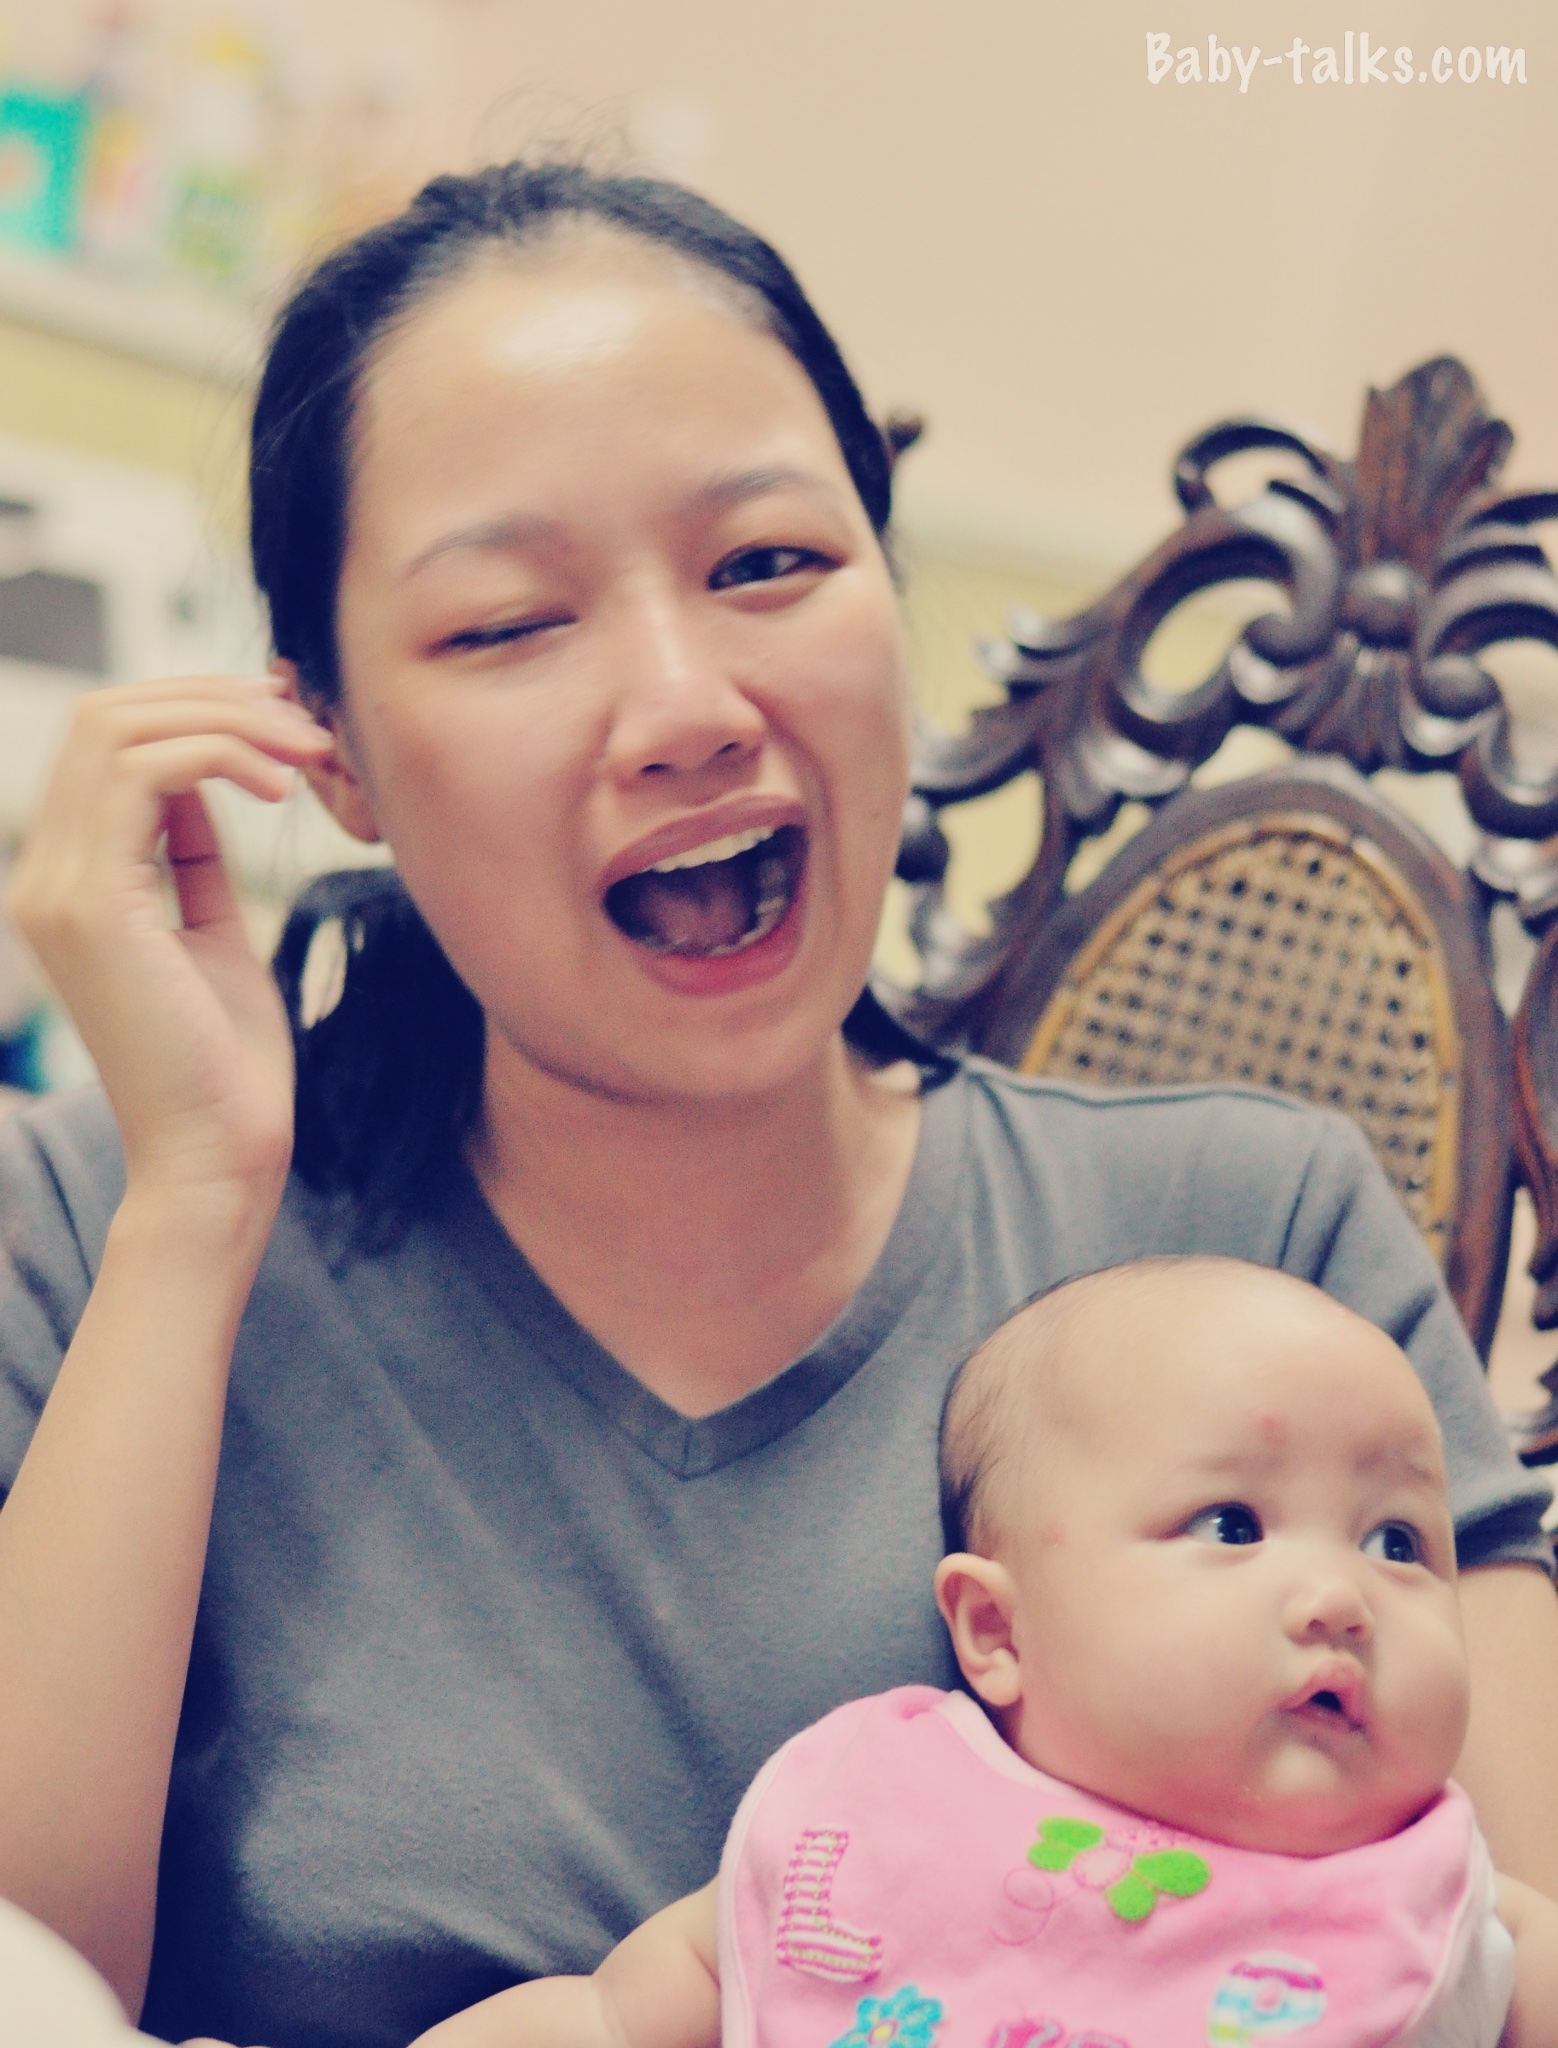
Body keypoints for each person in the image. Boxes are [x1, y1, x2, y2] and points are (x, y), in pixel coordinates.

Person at [0, 160, 1553, 2048]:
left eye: (765, 565)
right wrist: (188, 1208)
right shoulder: (102, 1228)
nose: (686, 706)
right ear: (328, 749)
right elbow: (29, 1982)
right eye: (508, 622)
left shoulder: (1254, 1238)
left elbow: (1509, 1941)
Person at [411, 1260, 1558, 2048]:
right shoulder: (882, 1822)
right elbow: (610, 2019)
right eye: (1230, 1523)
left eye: (1397, 1540)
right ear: (998, 1632)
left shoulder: (1460, 1916)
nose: (1342, 1597)